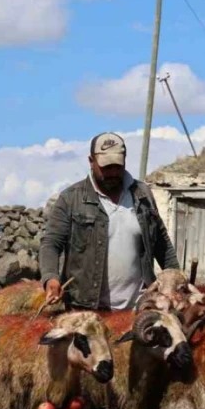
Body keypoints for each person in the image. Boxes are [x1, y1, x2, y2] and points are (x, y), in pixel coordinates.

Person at [39, 131, 179, 311]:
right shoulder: (70, 199)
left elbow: (162, 243)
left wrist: (176, 278)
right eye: (106, 167)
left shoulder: (142, 195)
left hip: (140, 308)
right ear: (91, 161)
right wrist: (51, 278)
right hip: (87, 309)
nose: (112, 172)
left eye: (117, 166)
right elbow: (51, 243)